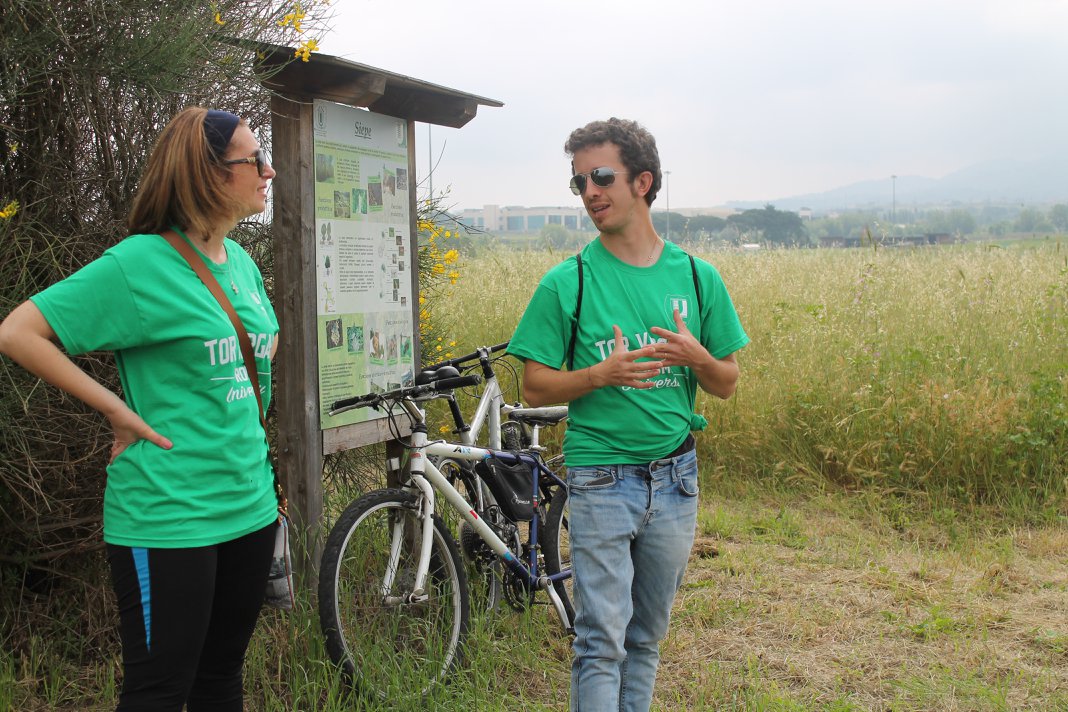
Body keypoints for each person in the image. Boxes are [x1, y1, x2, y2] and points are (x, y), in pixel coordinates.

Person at [0, 107, 280, 711]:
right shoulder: (139, 265)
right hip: (168, 514)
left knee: (221, 680)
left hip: (250, 505)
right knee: (158, 693)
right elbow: (18, 332)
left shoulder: (243, 263)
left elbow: (261, 343)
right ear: (207, 173)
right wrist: (115, 410)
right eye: (253, 159)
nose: (269, 169)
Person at [508, 118, 749, 712]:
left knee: (645, 639)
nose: (589, 192)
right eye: (578, 182)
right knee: (600, 642)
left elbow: (727, 383)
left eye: (601, 177)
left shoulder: (697, 277)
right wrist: (599, 376)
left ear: (643, 181)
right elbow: (534, 387)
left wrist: (696, 356)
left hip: (676, 480)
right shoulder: (571, 282)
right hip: (601, 480)